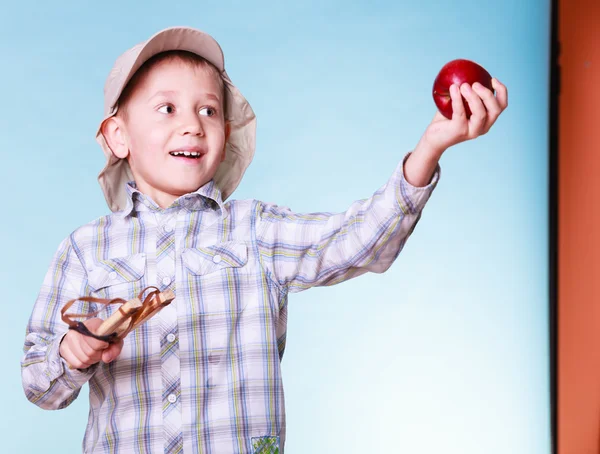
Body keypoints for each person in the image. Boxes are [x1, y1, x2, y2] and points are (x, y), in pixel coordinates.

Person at [21, 26, 508, 454]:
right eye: (166, 108)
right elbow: (39, 385)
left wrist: (430, 147)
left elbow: (361, 241)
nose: (192, 123)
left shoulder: (255, 230)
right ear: (118, 136)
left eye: (208, 110)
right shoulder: (85, 250)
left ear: (226, 133)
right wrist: (71, 353)